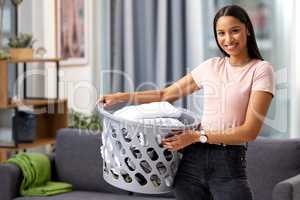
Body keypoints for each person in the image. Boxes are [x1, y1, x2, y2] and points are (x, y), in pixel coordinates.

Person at [97, 5, 274, 200]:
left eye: (234, 31)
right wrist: (122, 96)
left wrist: (197, 136)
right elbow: (165, 95)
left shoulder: (261, 70)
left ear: (247, 29)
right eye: (221, 33)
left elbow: (250, 130)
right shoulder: (211, 66)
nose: (228, 39)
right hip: (192, 163)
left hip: (228, 163)